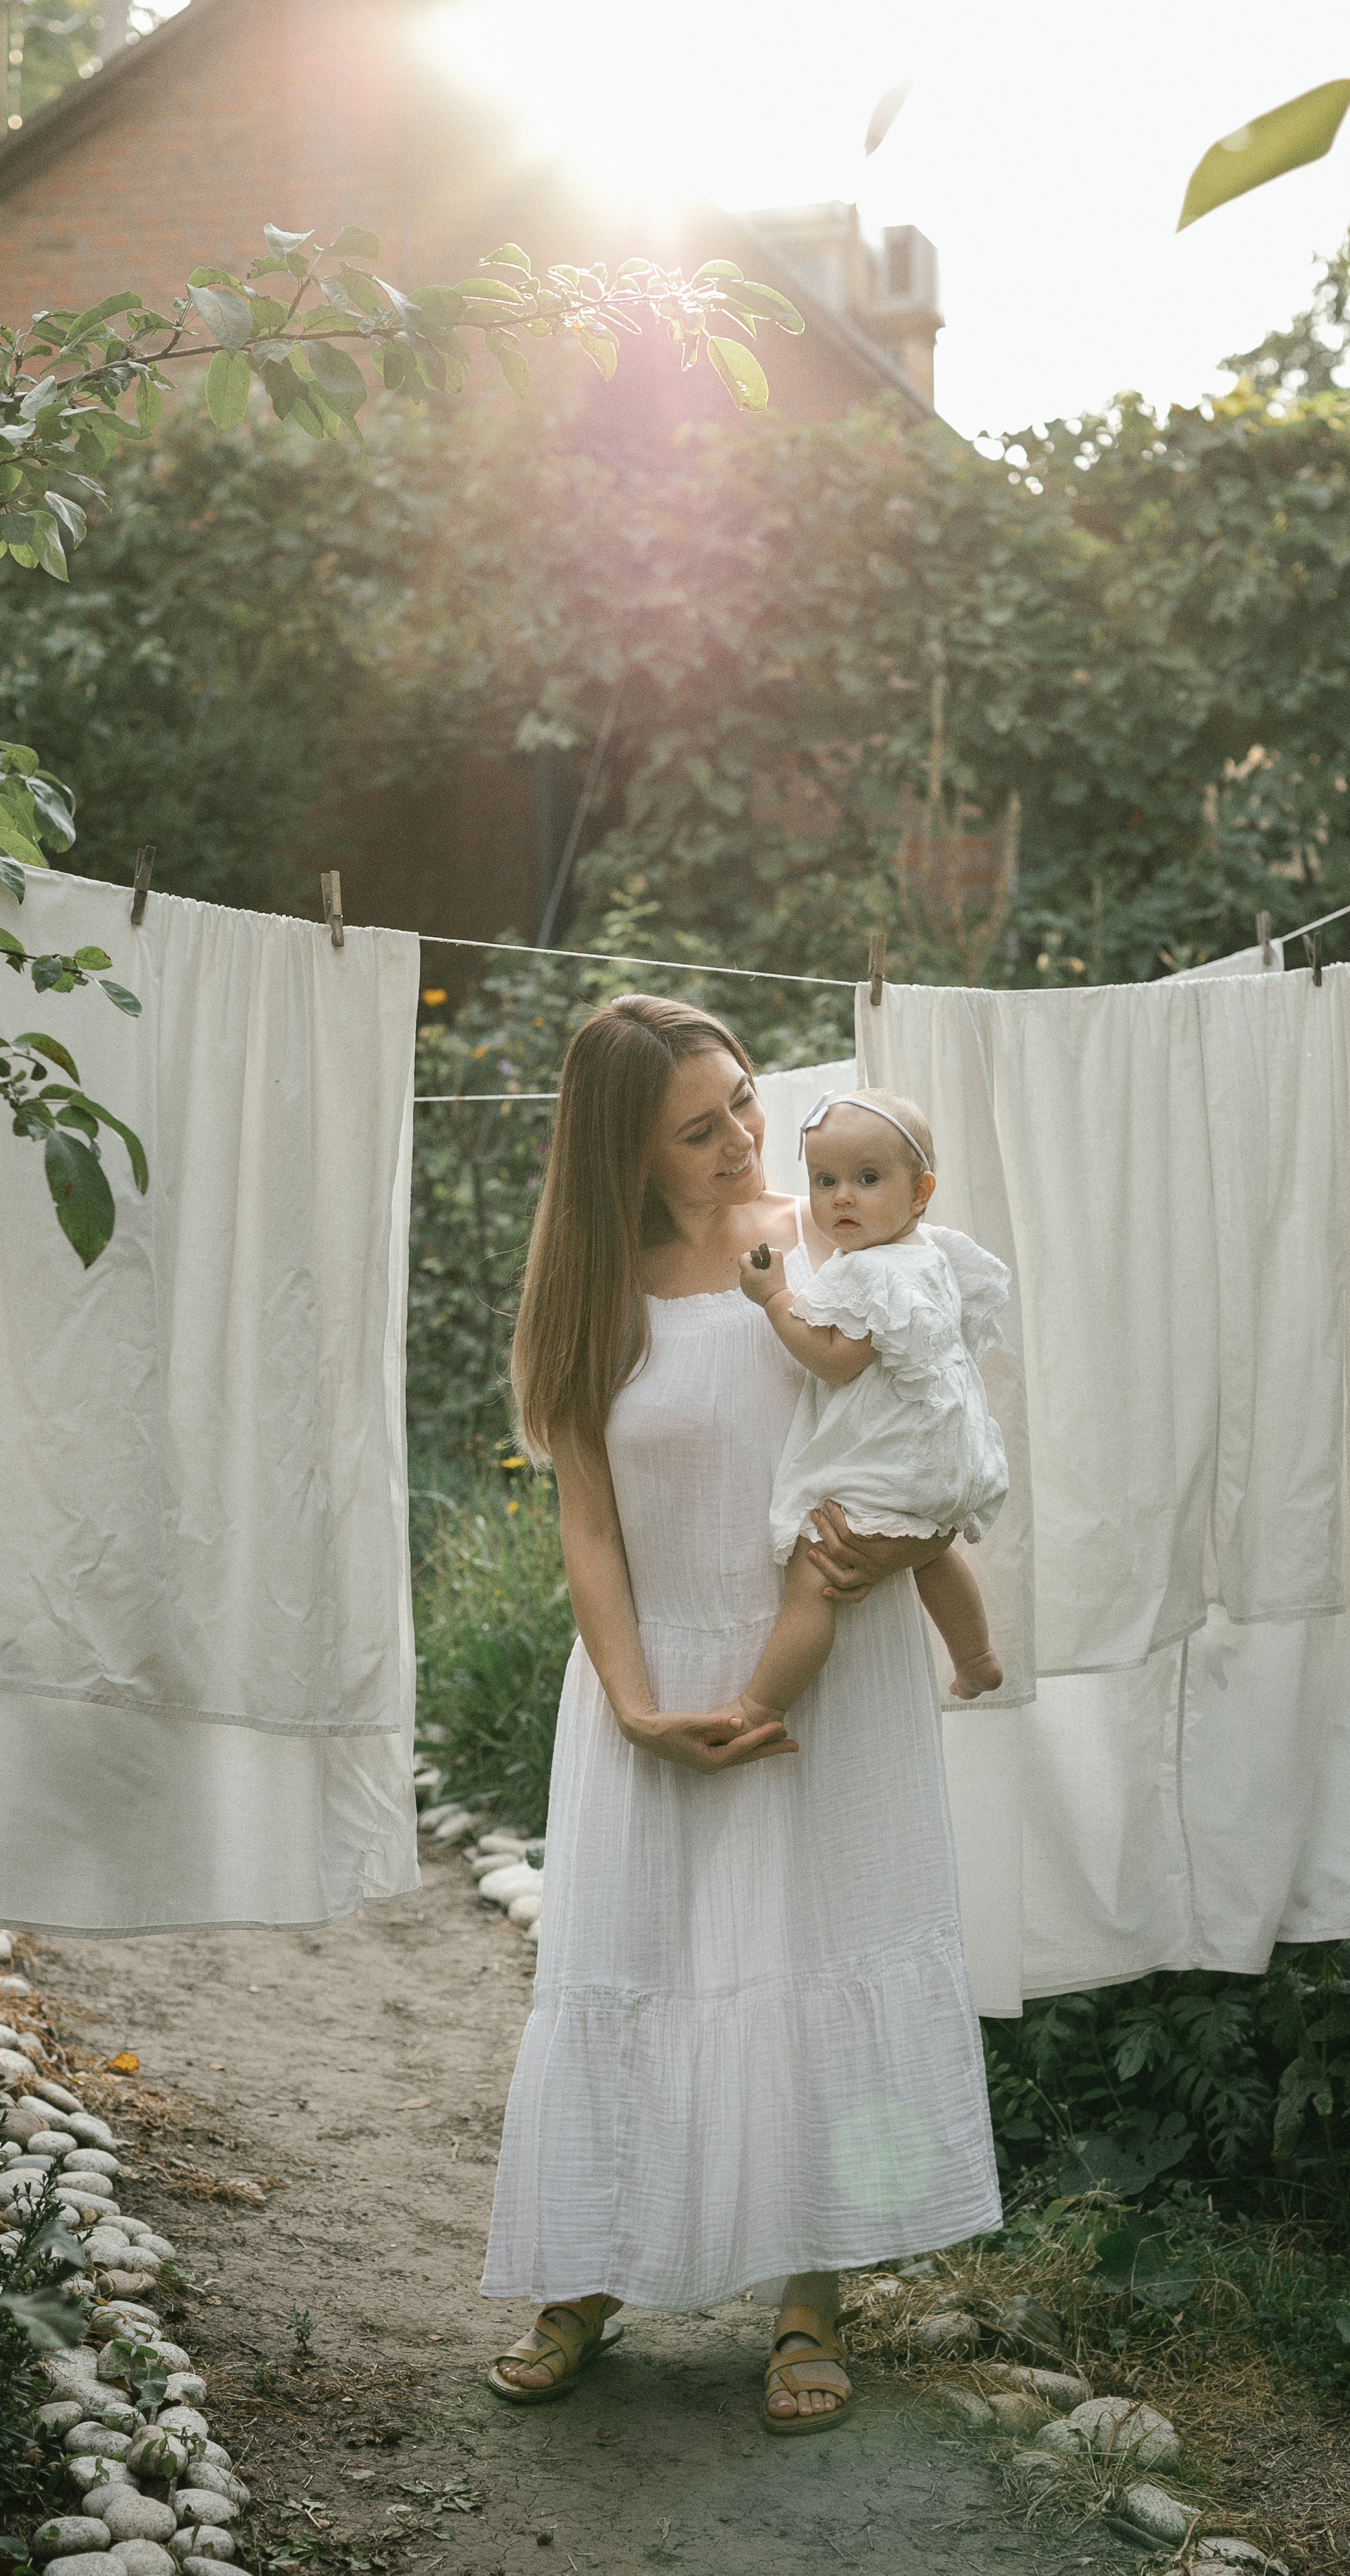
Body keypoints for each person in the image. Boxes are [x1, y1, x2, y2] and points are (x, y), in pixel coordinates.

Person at [481, 994, 1002, 2435]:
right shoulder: (590, 1294)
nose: (741, 1142)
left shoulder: (830, 1240)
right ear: (620, 1155)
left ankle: (808, 2295)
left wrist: (902, 1548)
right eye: (697, 1130)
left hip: (829, 1656)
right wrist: (637, 1705)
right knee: (630, 1957)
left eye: (744, 1103)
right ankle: (584, 2270)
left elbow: (928, 1413)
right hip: (652, 1668)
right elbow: (589, 1529)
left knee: (813, 1955)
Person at [712, 1085, 1009, 1735]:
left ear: (920, 1191)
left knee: (811, 1577)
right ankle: (977, 1657)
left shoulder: (865, 1272)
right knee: (932, 1553)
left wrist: (773, 1298)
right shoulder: (932, 1254)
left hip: (893, 1469)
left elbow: (835, 1361)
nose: (842, 1197)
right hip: (946, 1465)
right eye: (825, 1180)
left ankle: (761, 1705)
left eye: (867, 1179)